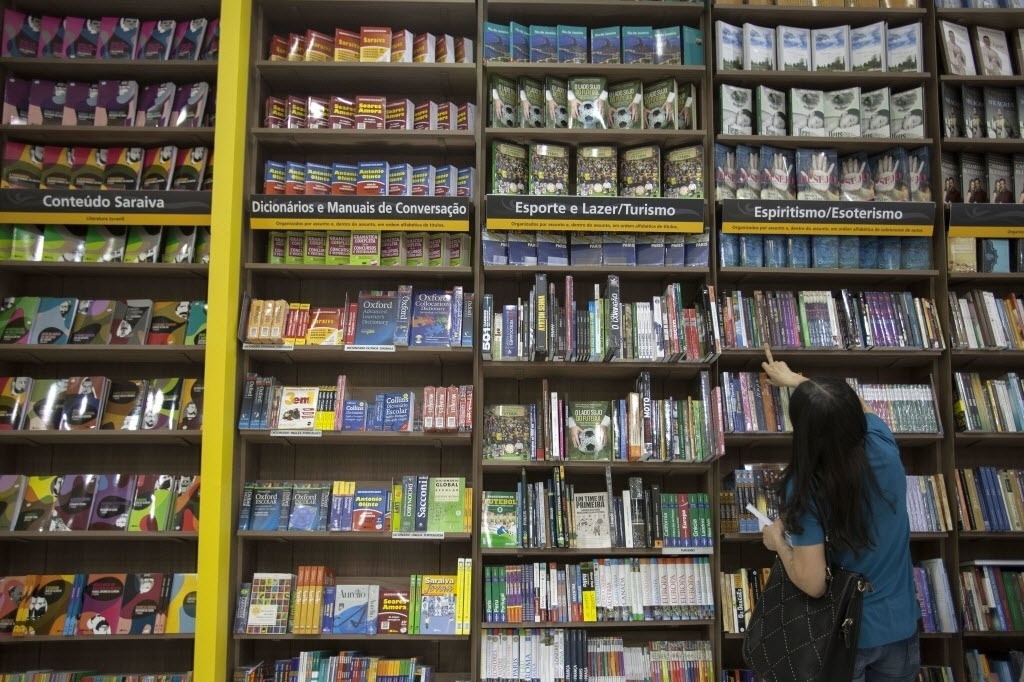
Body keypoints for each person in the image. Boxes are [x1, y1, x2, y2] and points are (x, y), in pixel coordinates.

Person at [759, 353, 920, 682]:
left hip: (845, 637)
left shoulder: (805, 487)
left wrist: (778, 543)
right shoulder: (882, 445)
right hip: (901, 627)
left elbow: (814, 583)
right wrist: (799, 382)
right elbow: (855, 405)